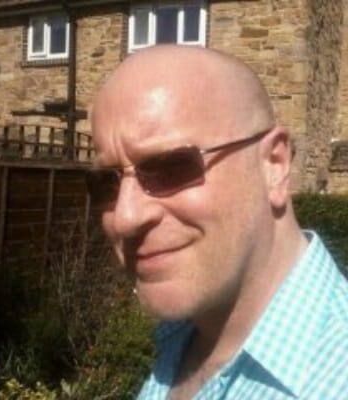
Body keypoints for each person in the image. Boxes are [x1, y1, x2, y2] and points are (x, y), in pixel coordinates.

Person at [87, 45, 348, 400]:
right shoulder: (181, 337)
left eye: (171, 167)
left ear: (274, 165)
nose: (125, 217)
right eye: (106, 182)